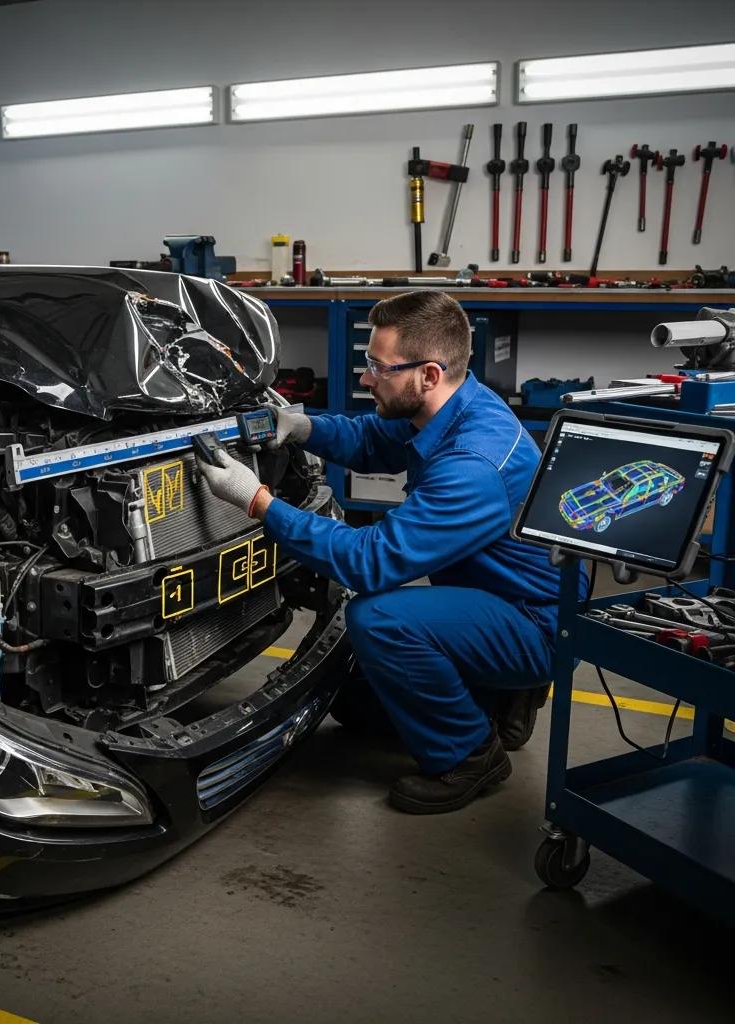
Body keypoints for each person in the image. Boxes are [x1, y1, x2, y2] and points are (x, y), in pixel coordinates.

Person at [197, 289, 573, 814]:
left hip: (535, 622)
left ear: (429, 374)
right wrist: (305, 428)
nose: (365, 379)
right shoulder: (455, 405)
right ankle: (501, 699)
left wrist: (257, 502)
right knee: (354, 705)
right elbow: (374, 438)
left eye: (378, 367)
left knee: (379, 619)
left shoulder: (474, 464)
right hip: (493, 596)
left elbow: (371, 562)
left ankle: (470, 755)